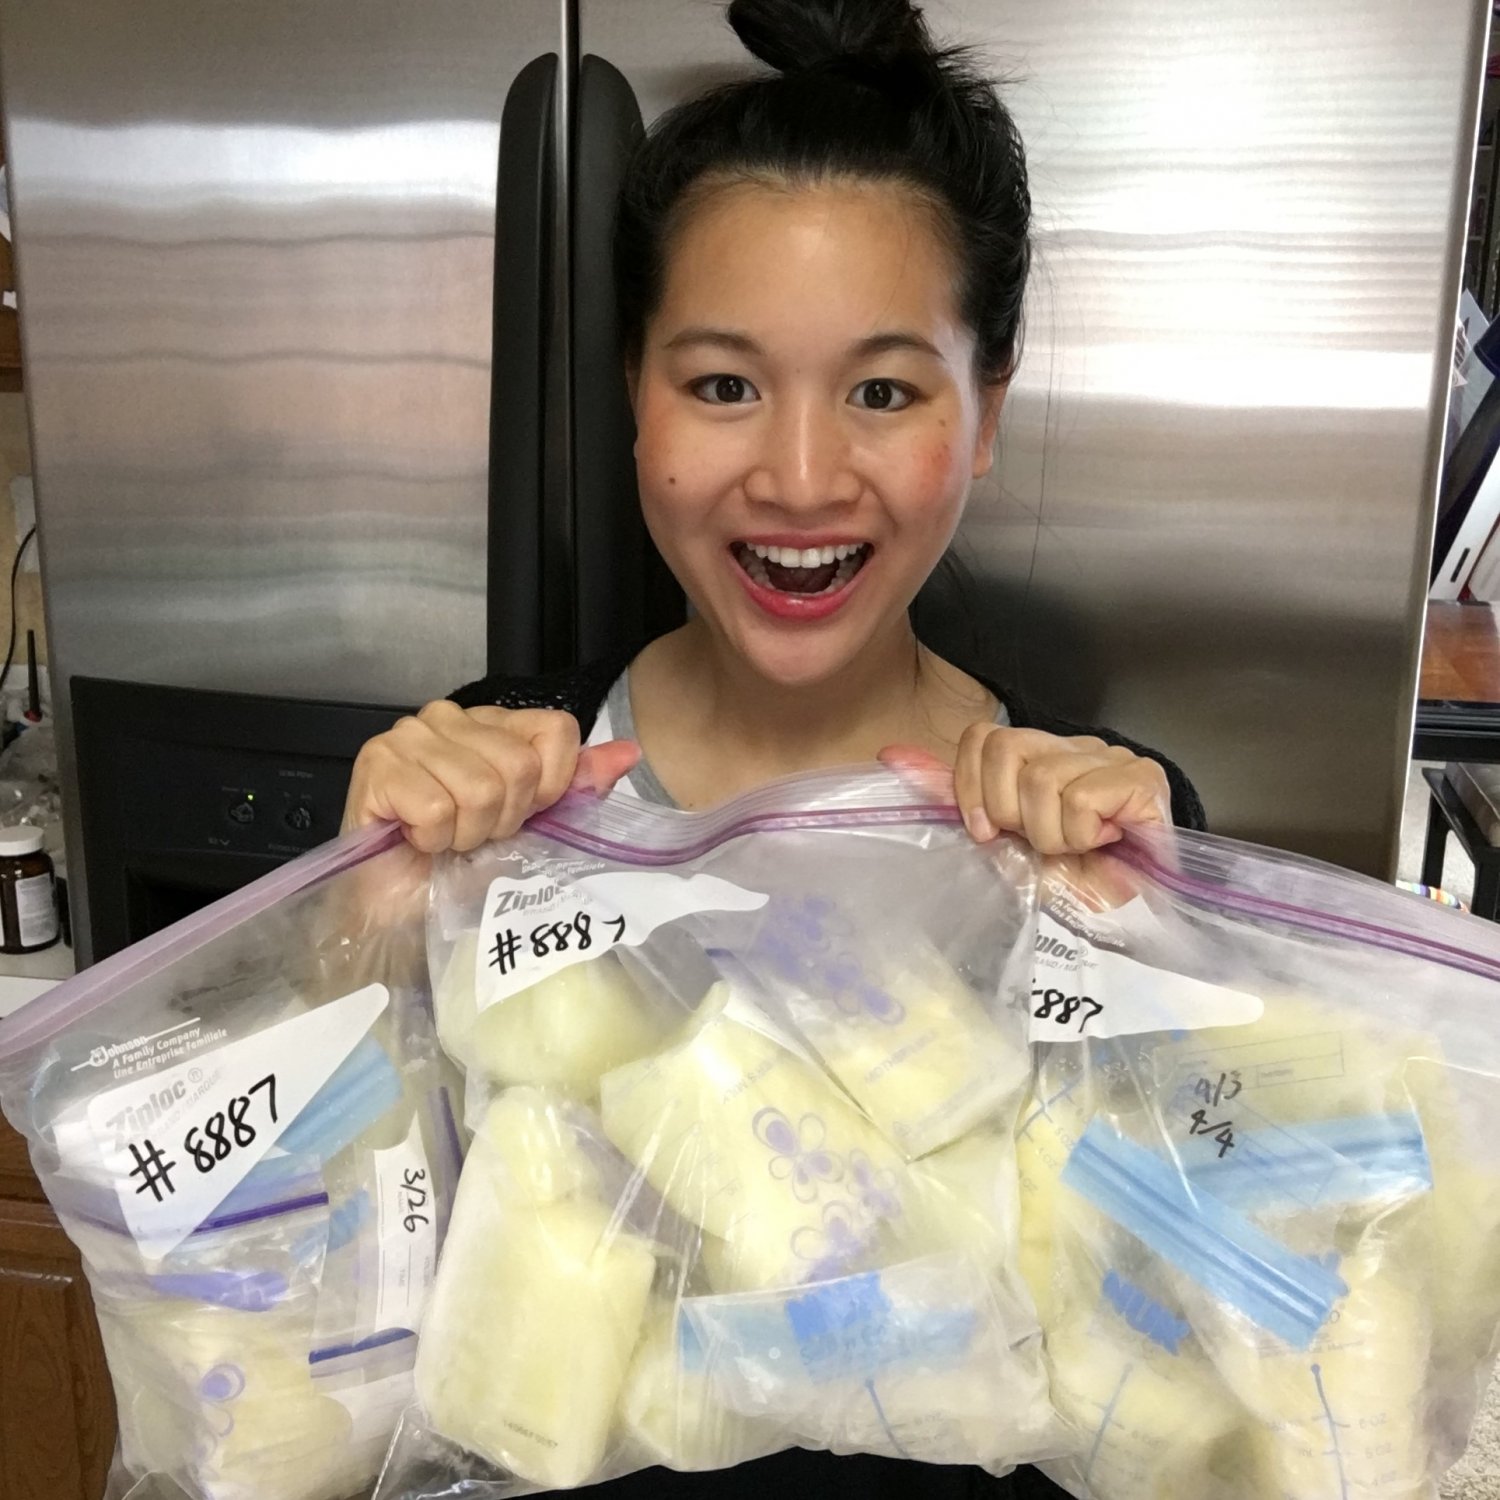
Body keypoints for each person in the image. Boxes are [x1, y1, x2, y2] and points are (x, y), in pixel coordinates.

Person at [345, 0, 1204, 1495]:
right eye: (723, 384)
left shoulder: (1094, 825)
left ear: (983, 413)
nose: (800, 478)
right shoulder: (504, 786)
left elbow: (1195, 1338)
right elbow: (322, 1308)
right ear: (634, 398)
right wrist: (361, 936)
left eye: (883, 391)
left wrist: (1160, 963)